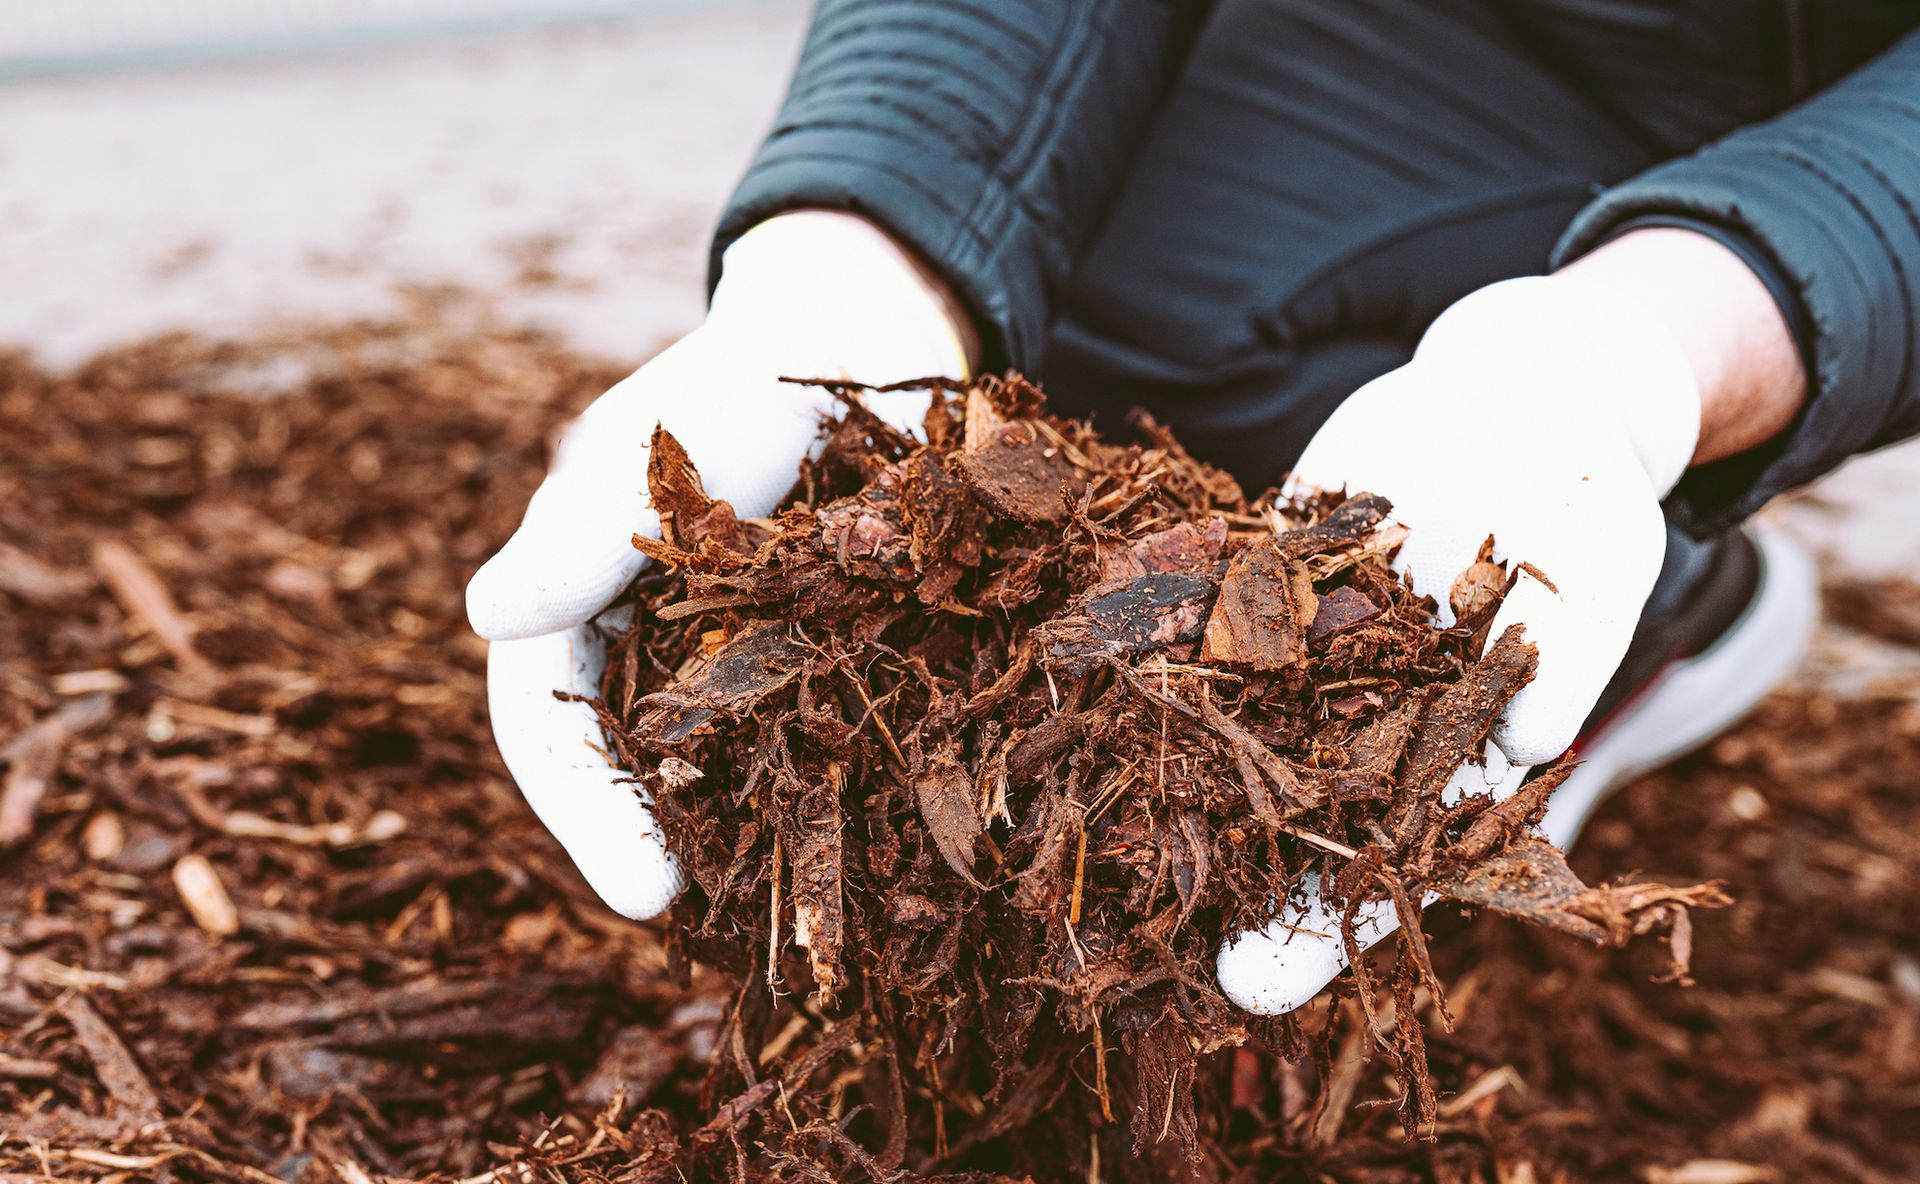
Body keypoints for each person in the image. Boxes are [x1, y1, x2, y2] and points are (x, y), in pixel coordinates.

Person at [466, 0, 1918, 1016]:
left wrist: (1642, 356)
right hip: (1517, 35)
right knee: (1073, 304)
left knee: (1457, 483)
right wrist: (856, 260)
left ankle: (1638, 617)